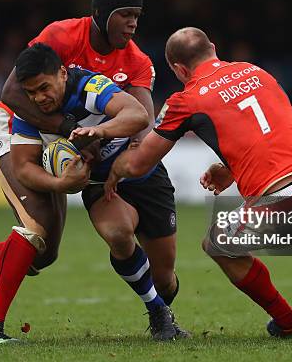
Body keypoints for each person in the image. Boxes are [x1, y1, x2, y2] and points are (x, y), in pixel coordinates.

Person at [0, 0, 184, 343]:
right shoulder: (63, 35)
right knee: (35, 229)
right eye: (125, 14)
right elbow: (12, 92)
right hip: (17, 128)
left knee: (44, 253)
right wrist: (70, 128)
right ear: (102, 13)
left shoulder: (136, 61)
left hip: (64, 140)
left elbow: (139, 119)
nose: (133, 23)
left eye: (137, 15)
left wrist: (102, 139)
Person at [104, 27, 292, 339]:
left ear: (179, 69)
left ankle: (287, 319)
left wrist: (107, 160)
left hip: (282, 198)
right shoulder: (254, 71)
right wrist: (230, 168)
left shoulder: (186, 100)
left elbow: (139, 164)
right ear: (213, 48)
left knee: (218, 244)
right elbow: (268, 130)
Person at [10, 43, 183, 341]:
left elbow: (138, 115)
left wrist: (99, 131)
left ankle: (161, 300)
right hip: (100, 185)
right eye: (30, 92)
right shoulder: (28, 114)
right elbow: (23, 167)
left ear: (63, 74)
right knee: (117, 233)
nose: (39, 98)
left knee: (163, 279)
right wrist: (60, 185)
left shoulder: (89, 85)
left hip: (144, 176)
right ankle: (157, 312)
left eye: (43, 87)